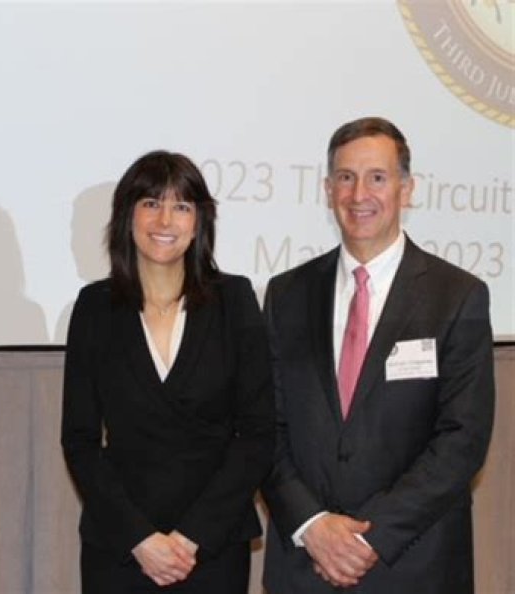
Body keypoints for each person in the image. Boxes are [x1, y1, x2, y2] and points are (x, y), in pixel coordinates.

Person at [260, 117, 495, 594]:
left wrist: (371, 538)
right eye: (346, 177)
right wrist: (312, 525)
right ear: (328, 190)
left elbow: (462, 439)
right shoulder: (285, 295)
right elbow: (265, 425)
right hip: (306, 564)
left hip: (413, 564)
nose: (358, 194)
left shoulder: (457, 296)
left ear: (407, 190)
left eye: (377, 178)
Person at [61, 150, 276, 593]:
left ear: (199, 222)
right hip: (120, 549)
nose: (165, 220)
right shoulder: (94, 307)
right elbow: (80, 439)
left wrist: (192, 537)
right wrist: (140, 539)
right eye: (151, 203)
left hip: (213, 547)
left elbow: (257, 433)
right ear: (128, 216)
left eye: (181, 206)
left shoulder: (235, 300)